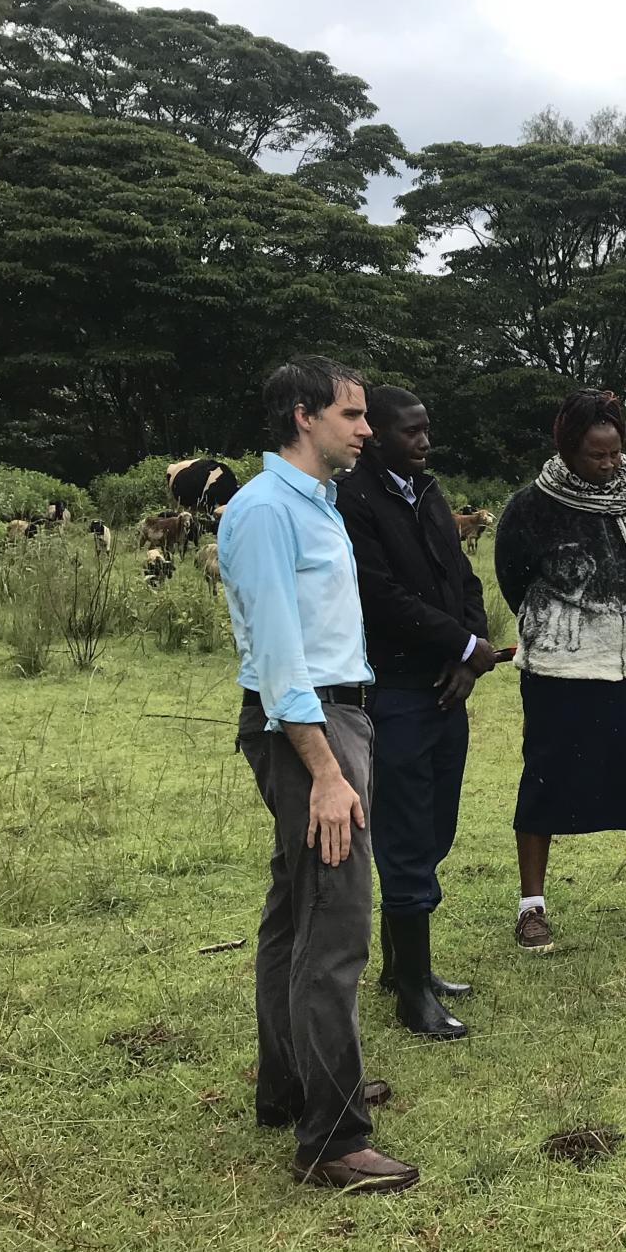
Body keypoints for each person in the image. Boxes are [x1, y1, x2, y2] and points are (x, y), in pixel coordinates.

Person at [218, 355, 417, 1194]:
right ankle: (331, 1139)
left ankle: (292, 1084)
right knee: (335, 925)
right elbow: (276, 657)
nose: (366, 428)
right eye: (352, 414)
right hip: (309, 724)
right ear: (304, 415)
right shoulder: (266, 511)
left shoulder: (315, 502)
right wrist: (327, 772)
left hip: (334, 712)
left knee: (294, 908)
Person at [494, 389, 626, 949]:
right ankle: (532, 906)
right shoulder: (531, 506)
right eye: (596, 454)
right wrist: (565, 628)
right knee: (544, 780)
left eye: (615, 452)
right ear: (567, 448)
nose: (609, 464)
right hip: (559, 670)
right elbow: (513, 580)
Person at [336, 386, 498, 1040]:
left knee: (436, 824)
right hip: (394, 688)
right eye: (411, 431)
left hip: (445, 686)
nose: (424, 441)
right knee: (404, 834)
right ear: (374, 433)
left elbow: (463, 579)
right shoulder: (355, 500)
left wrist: (469, 652)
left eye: (427, 429)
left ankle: (408, 964)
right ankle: (411, 994)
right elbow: (380, 594)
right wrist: (459, 642)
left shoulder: (426, 493)